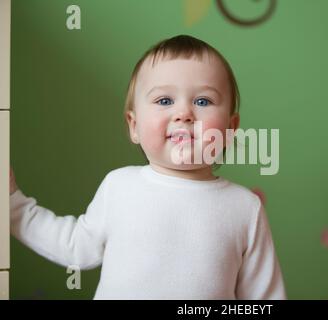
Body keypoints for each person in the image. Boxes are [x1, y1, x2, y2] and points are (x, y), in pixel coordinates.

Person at [9, 35, 286, 300]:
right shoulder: (119, 186)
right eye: (164, 101)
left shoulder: (244, 208)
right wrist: (13, 206)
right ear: (134, 126)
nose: (184, 114)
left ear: (230, 128)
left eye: (203, 101)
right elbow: (75, 247)